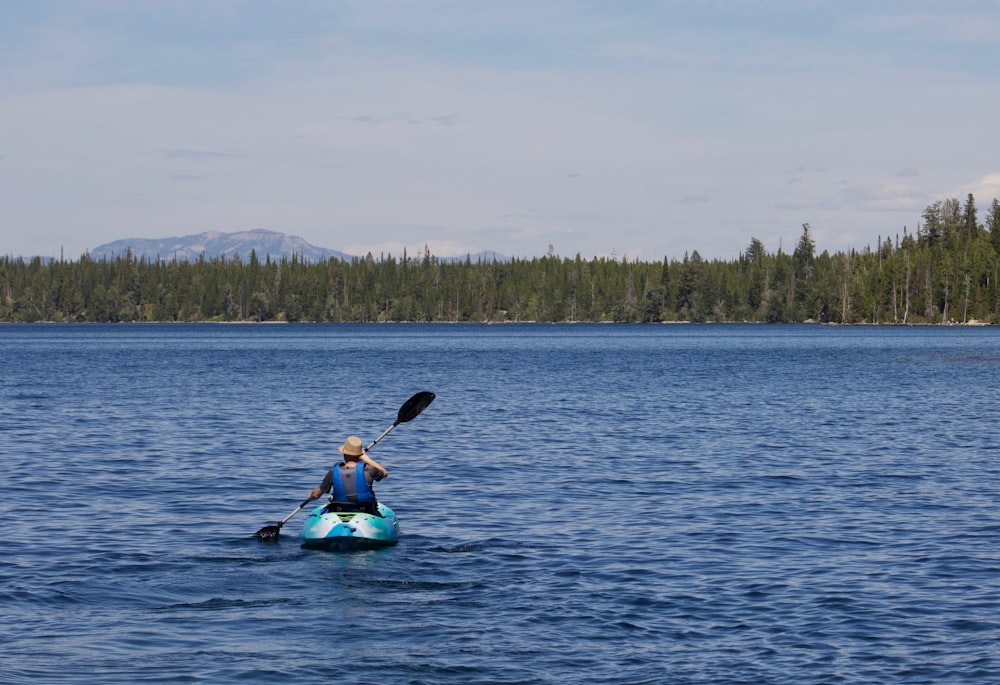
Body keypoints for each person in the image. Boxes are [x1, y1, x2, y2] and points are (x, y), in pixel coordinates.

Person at [306, 436, 389, 514]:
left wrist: (310, 496)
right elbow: (384, 473)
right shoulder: (369, 470)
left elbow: (317, 494)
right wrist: (366, 459)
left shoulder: (333, 472)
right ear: (360, 455)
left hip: (339, 510)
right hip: (365, 510)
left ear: (344, 454)